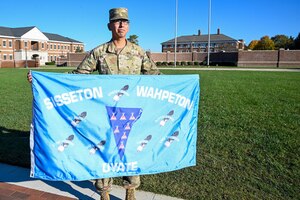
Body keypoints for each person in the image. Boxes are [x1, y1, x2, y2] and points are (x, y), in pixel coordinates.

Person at [28, 7, 161, 200]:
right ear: (109, 25)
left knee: (129, 151)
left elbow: (156, 77)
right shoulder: (99, 52)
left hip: (131, 112)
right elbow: (78, 77)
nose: (121, 24)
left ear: (129, 26)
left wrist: (181, 85)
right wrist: (42, 79)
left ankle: (130, 190)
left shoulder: (138, 52)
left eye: (125, 21)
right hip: (105, 112)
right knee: (105, 150)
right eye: (117, 21)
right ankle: (104, 192)